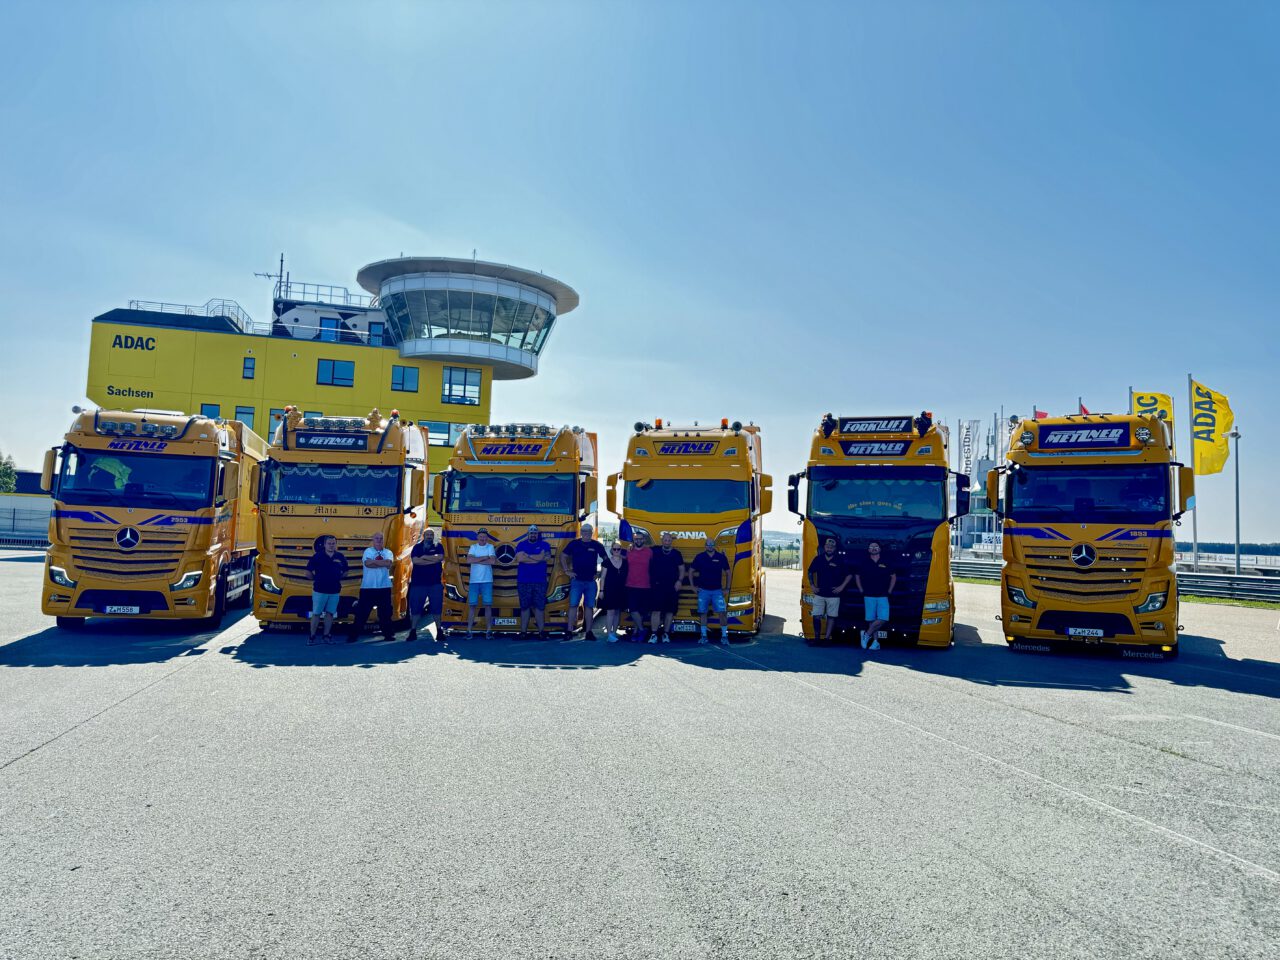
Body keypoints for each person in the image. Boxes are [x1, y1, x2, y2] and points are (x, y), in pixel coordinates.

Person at [561, 523, 609, 640]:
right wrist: (567, 570)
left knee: (589, 607)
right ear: (581, 532)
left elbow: (606, 560)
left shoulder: (596, 545)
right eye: (584, 531)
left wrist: (600, 573)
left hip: (590, 582)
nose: (586, 533)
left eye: (589, 531)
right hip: (576, 581)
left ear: (592, 533)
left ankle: (588, 632)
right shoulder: (574, 544)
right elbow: (563, 556)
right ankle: (569, 631)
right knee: (573, 606)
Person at [347, 531, 397, 643]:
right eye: (377, 538)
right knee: (362, 613)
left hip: (384, 587)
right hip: (368, 588)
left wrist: (374, 562)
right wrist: (381, 563)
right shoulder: (368, 551)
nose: (379, 540)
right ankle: (353, 636)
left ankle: (388, 635)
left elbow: (388, 564)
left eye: (381, 538)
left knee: (385, 614)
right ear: (373, 540)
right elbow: (367, 564)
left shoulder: (388, 552)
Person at [305, 535, 348, 644]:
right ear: (324, 544)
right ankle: (312, 637)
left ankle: (326, 636)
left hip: (334, 591)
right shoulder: (317, 556)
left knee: (330, 614)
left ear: (336, 544)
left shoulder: (340, 556)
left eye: (333, 543)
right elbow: (308, 572)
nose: (331, 545)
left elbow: (346, 571)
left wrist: (337, 578)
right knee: (316, 614)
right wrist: (317, 579)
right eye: (329, 543)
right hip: (319, 590)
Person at [807, 536, 851, 642]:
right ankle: (817, 638)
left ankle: (827, 638)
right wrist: (812, 585)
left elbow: (849, 575)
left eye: (832, 546)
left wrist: (841, 587)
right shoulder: (818, 559)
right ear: (824, 547)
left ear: (835, 548)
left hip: (834, 594)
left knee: (831, 617)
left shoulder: (840, 560)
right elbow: (810, 572)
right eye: (827, 546)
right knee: (816, 615)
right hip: (820, 593)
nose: (829, 548)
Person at [688, 537, 730, 645]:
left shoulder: (721, 557)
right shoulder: (700, 557)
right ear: (705, 546)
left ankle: (724, 636)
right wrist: (693, 586)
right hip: (703, 591)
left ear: (714, 545)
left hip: (717, 591)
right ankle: (704, 636)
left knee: (722, 613)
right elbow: (691, 571)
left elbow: (728, 572)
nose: (710, 546)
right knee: (703, 613)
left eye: (712, 544)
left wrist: (727, 588)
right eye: (708, 544)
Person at [856, 541, 896, 651]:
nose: (874, 548)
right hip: (868, 595)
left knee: (883, 618)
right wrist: (860, 589)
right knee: (871, 620)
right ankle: (875, 642)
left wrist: (890, 590)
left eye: (876, 546)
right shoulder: (864, 562)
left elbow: (893, 576)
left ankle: (866, 634)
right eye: (871, 547)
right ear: (868, 550)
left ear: (880, 549)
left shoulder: (886, 562)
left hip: (883, 595)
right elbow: (857, 576)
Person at [406, 528, 445, 642]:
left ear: (433, 536)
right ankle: (413, 631)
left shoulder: (438, 546)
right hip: (418, 584)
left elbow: (440, 558)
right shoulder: (417, 547)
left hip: (435, 584)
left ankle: (439, 631)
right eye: (427, 534)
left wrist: (424, 557)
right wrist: (432, 560)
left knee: (437, 609)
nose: (429, 536)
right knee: (416, 609)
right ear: (423, 535)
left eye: (431, 534)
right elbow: (416, 561)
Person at [515, 524, 552, 640]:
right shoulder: (521, 544)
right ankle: (523, 632)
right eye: (531, 533)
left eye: (535, 533)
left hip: (540, 581)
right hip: (524, 581)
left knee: (539, 607)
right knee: (524, 607)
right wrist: (537, 558)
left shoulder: (545, 545)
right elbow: (519, 559)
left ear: (537, 534)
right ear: (528, 534)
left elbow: (546, 557)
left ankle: (541, 632)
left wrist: (528, 557)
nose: (533, 534)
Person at [648, 532, 686, 643]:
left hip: (672, 587)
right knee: (656, 611)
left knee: (669, 611)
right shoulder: (654, 550)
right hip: (657, 586)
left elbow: (682, 569)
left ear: (671, 541)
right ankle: (654, 634)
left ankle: (666, 634)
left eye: (669, 540)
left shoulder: (676, 554)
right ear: (662, 541)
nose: (667, 542)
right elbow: (641, 551)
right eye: (665, 540)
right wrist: (630, 547)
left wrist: (679, 581)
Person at [466, 528, 497, 639]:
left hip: (487, 581)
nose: (482, 539)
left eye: (484, 537)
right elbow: (469, 560)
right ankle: (469, 630)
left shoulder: (490, 547)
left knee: (488, 606)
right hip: (474, 581)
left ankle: (489, 630)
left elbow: (492, 561)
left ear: (487, 538)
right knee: (472, 606)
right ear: (477, 537)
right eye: (481, 537)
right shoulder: (473, 547)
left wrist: (476, 559)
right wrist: (484, 557)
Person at [624, 532, 654, 642]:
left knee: (641, 612)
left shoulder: (649, 552)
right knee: (632, 609)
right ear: (634, 540)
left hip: (645, 585)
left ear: (644, 540)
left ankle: (636, 632)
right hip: (631, 584)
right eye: (636, 539)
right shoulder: (629, 551)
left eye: (641, 539)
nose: (639, 541)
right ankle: (642, 629)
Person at [598, 541, 629, 643]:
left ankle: (614, 632)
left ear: (621, 550)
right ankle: (609, 634)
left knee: (617, 612)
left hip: (621, 590)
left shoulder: (625, 562)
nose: (616, 551)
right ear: (611, 550)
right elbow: (602, 577)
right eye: (614, 549)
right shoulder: (606, 562)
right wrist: (601, 591)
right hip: (609, 590)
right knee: (610, 611)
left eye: (618, 549)